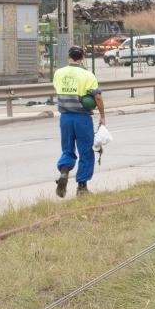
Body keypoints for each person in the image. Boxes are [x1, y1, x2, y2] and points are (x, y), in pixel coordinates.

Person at [52, 45, 106, 197]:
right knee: (86, 152)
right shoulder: (88, 75)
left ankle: (64, 172)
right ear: (82, 58)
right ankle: (82, 187)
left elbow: (57, 89)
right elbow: (97, 96)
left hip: (65, 118)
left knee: (67, 150)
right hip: (82, 118)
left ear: (69, 57)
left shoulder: (59, 73)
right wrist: (102, 116)